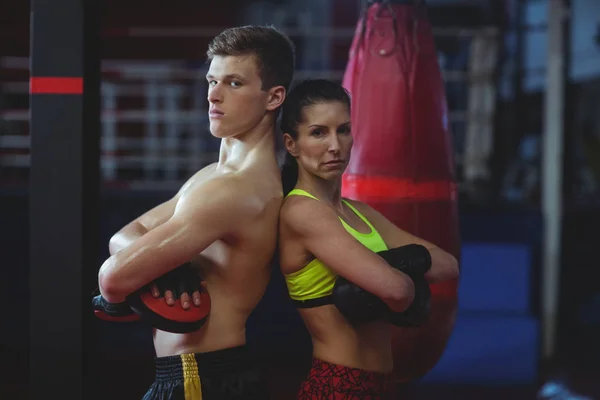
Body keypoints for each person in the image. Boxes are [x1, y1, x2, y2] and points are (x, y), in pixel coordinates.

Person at [96, 25, 295, 399]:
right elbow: (125, 233)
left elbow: (112, 279)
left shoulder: (233, 190)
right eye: (212, 80)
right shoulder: (213, 176)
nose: (214, 95)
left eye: (234, 84)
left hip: (200, 378)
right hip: (201, 374)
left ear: (274, 97)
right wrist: (172, 267)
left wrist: (152, 267)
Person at [277, 79, 459, 399]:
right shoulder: (302, 211)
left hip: (378, 387)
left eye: (343, 130)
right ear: (291, 144)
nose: (335, 145)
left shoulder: (358, 212)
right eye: (319, 132)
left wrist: (387, 272)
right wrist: (403, 272)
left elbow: (447, 264)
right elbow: (398, 291)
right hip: (337, 386)